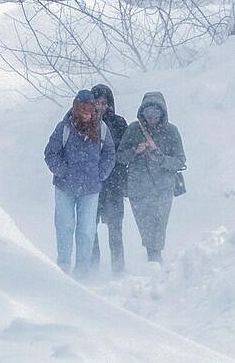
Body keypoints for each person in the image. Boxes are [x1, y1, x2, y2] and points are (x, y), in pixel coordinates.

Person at [44, 89, 115, 277]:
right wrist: (63, 171)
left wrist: (100, 174)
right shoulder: (64, 127)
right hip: (65, 187)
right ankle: (63, 268)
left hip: (91, 189)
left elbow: (109, 154)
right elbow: (50, 153)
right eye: (82, 108)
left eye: (89, 108)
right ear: (76, 107)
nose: (86, 112)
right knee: (65, 226)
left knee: (86, 230)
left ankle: (82, 272)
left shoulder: (102, 128)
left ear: (94, 109)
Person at [117, 90, 185, 264]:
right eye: (148, 113)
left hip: (163, 187)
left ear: (163, 113)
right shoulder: (133, 129)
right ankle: (153, 258)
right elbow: (120, 156)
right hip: (138, 186)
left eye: (156, 112)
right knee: (145, 225)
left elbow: (180, 160)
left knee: (159, 224)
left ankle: (155, 259)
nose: (152, 117)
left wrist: (161, 159)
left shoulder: (171, 131)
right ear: (142, 112)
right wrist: (135, 151)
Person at [87, 84, 128, 273]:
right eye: (97, 102)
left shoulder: (119, 123)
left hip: (114, 184)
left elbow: (124, 151)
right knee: (90, 228)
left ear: (109, 104)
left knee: (115, 229)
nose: (101, 106)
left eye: (104, 103)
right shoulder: (84, 122)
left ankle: (118, 270)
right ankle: (93, 267)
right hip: (92, 185)